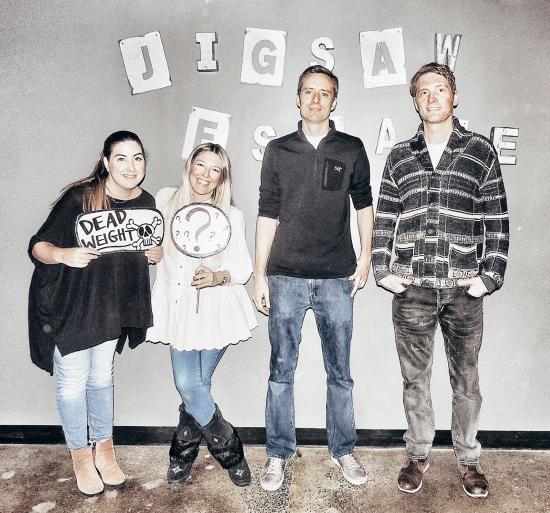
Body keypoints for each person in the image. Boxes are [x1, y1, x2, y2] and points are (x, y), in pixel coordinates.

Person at [372, 62, 509, 499]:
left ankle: (468, 460)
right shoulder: (400, 155)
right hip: (411, 288)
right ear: (415, 102)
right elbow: (385, 216)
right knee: (415, 380)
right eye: (423, 92)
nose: (432, 98)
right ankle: (417, 455)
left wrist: (489, 276)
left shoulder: (480, 151)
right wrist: (382, 270)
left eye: (440, 90)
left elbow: (497, 218)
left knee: (466, 381)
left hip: (465, 289)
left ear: (455, 97)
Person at [253, 65, 374, 491]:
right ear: (298, 98)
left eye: (324, 93)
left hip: (337, 277)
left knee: (339, 372)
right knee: (280, 371)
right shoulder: (278, 150)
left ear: (334, 100)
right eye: (309, 91)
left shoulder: (351, 148)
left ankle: (343, 450)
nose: (316, 99)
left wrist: (366, 258)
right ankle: (277, 454)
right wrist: (259, 275)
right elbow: (267, 212)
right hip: (284, 276)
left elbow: (364, 206)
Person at [28, 131, 163, 496]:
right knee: (73, 382)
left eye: (137, 158)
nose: (131, 166)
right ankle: (81, 459)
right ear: (106, 162)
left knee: (102, 377)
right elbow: (38, 246)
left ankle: (104, 451)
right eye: (121, 158)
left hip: (108, 307)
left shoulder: (146, 203)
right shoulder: (82, 197)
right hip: (70, 304)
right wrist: (63, 254)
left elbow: (139, 250)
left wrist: (156, 254)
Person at [147, 143, 257, 487]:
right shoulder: (165, 199)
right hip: (179, 309)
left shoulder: (230, 214)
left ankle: (183, 449)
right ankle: (230, 451)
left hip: (218, 309)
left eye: (215, 170)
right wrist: (150, 253)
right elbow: (148, 242)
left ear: (222, 177)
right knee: (191, 385)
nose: (205, 175)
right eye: (201, 165)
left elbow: (243, 268)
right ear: (189, 165)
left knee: (193, 387)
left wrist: (217, 276)